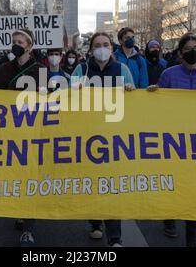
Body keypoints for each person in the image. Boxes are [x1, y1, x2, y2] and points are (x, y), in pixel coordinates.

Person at [147, 33, 196, 247]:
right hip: (173, 141)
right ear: (180, 53)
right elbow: (159, 106)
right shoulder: (168, 74)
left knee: (194, 188)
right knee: (174, 183)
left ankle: (192, 237)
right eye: (188, 49)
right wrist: (152, 94)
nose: (193, 51)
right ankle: (169, 218)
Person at [71, 32, 135, 247]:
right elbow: (69, 102)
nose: (101, 48)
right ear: (90, 49)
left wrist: (130, 91)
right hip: (88, 135)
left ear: (111, 47)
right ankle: (95, 223)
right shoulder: (81, 70)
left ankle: (115, 237)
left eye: (105, 44)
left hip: (114, 136)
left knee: (111, 185)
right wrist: (74, 92)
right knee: (93, 183)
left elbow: (134, 102)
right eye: (97, 45)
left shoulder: (122, 70)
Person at [0, 29, 47, 246]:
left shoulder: (40, 69)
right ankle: (19, 210)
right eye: (13, 41)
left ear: (29, 46)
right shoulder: (5, 68)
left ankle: (29, 227)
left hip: (33, 131)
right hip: (11, 131)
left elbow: (46, 99)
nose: (15, 44)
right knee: (15, 175)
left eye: (20, 41)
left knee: (31, 176)